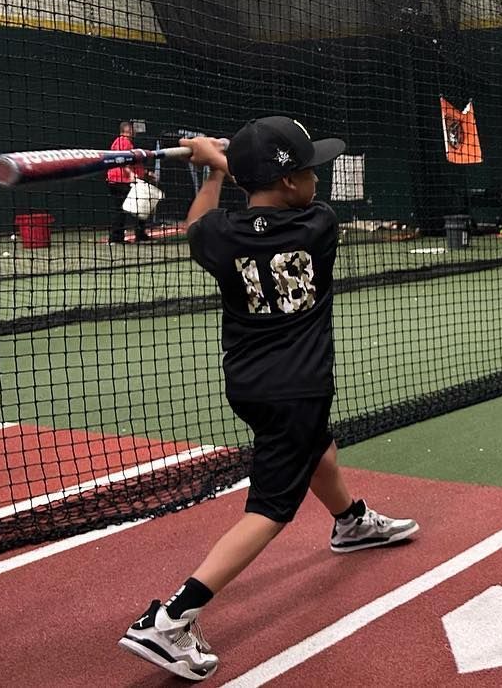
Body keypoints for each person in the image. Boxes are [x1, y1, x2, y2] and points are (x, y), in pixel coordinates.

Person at [119, 117, 419, 681]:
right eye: (307, 171)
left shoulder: (220, 235)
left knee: (314, 449)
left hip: (250, 385)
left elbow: (198, 225)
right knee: (268, 510)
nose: (316, 181)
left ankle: (350, 521)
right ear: (288, 184)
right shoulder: (319, 225)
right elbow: (258, 207)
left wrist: (210, 170)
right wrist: (222, 165)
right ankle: (171, 617)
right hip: (299, 387)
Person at [106, 120, 153, 244]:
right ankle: (136, 236)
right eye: (132, 130)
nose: (134, 132)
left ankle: (118, 238)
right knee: (138, 207)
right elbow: (122, 160)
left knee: (125, 209)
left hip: (119, 180)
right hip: (121, 181)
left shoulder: (121, 142)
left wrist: (146, 173)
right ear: (128, 131)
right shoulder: (123, 142)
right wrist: (132, 174)